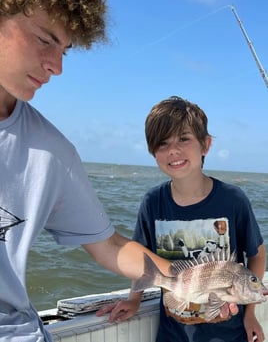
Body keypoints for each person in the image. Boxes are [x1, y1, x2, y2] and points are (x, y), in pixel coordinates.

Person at [0, 0, 173, 341]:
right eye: (45, 40)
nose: (57, 66)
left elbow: (108, 245)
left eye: (66, 49)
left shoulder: (53, 151)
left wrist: (198, 281)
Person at [96, 96, 266, 342]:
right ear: (153, 152)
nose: (173, 150)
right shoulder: (153, 202)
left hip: (229, 334)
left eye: (184, 139)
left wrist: (250, 314)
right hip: (173, 334)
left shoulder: (233, 200)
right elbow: (139, 259)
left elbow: (257, 254)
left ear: (205, 145)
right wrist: (134, 299)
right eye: (163, 143)